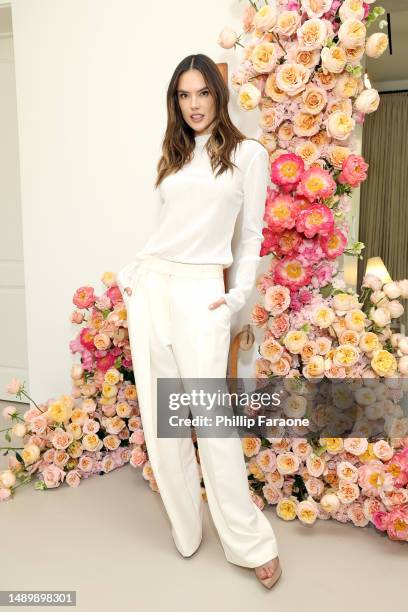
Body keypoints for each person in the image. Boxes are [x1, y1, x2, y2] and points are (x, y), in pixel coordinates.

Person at [116, 54, 281, 589]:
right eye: (184, 96)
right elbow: (167, 227)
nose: (193, 105)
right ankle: (187, 528)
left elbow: (251, 235)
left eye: (202, 93)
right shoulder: (174, 153)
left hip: (202, 292)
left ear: (218, 94)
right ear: (176, 100)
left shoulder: (247, 155)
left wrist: (236, 298)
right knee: (164, 419)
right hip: (153, 286)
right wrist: (136, 274)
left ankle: (248, 541)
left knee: (213, 423)